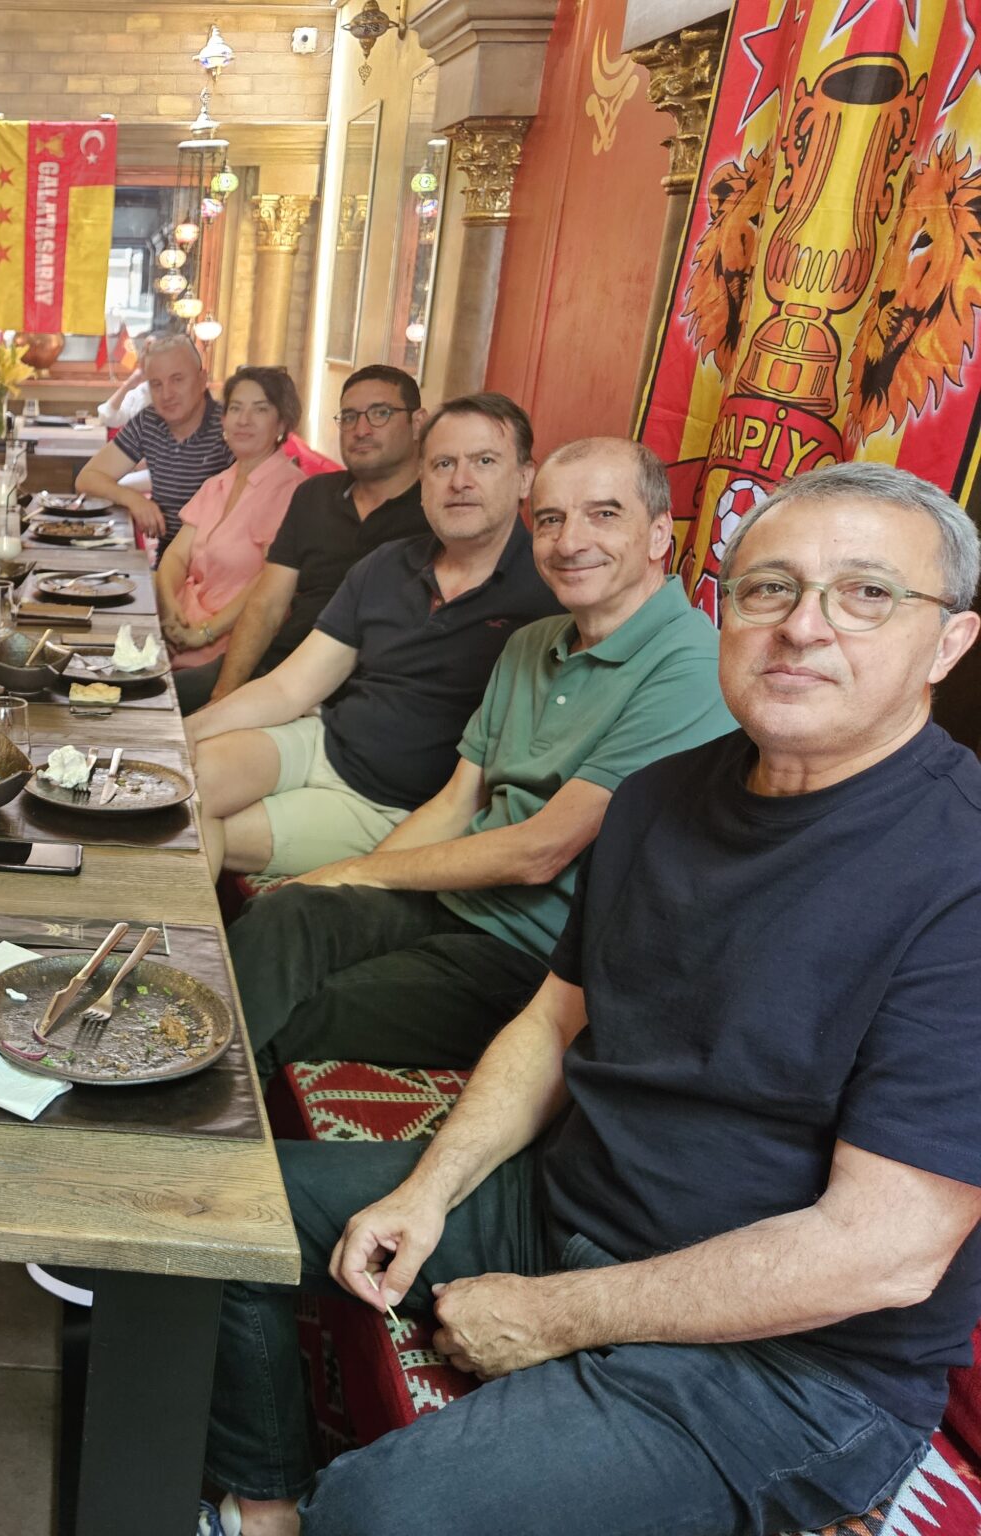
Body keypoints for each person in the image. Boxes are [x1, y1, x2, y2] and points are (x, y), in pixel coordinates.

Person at [201, 460, 981, 1536]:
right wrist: (430, 1190)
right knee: (210, 1204)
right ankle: (260, 1503)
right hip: (566, 1207)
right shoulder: (663, 796)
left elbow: (881, 1250)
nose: (802, 627)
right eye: (768, 588)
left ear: (947, 642)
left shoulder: (959, 873)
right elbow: (554, 1019)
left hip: (791, 1361)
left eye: (865, 594)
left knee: (381, 1513)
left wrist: (553, 1315)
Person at [227, 436, 739, 1072]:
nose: (570, 541)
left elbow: (539, 851)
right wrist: (349, 887)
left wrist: (357, 871)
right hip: (450, 901)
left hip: (535, 960)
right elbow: (455, 804)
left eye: (604, 514)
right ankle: (150, 1074)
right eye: (549, 520)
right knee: (283, 916)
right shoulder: (530, 643)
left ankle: (171, 1113)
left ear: (660, 534)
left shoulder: (692, 664)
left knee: (304, 1009)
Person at [186, 393, 563, 876]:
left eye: (484, 461)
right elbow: (289, 688)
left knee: (189, 828)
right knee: (180, 780)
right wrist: (182, 734)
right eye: (443, 464)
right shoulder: (387, 563)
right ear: (422, 479)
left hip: (388, 804)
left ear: (525, 478)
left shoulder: (551, 594)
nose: (460, 481)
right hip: (321, 741)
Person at [174, 365, 430, 715]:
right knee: (142, 701)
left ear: (418, 423)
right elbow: (266, 606)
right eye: (350, 417)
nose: (361, 429)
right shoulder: (315, 495)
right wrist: (222, 699)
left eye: (380, 413)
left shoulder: (434, 513)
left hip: (351, 698)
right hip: (275, 668)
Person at [156, 367, 305, 672]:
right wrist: (169, 609)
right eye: (235, 408)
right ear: (223, 420)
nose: (243, 420)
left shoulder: (292, 489)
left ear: (282, 423)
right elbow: (176, 556)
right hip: (178, 634)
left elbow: (270, 583)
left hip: (231, 649)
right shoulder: (217, 484)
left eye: (260, 409)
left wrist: (205, 632)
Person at [75, 332, 233, 546]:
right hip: (165, 557)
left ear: (201, 380)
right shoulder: (149, 420)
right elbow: (87, 479)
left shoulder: (229, 427)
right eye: (156, 384)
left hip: (212, 557)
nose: (166, 394)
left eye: (177, 380)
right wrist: (133, 499)